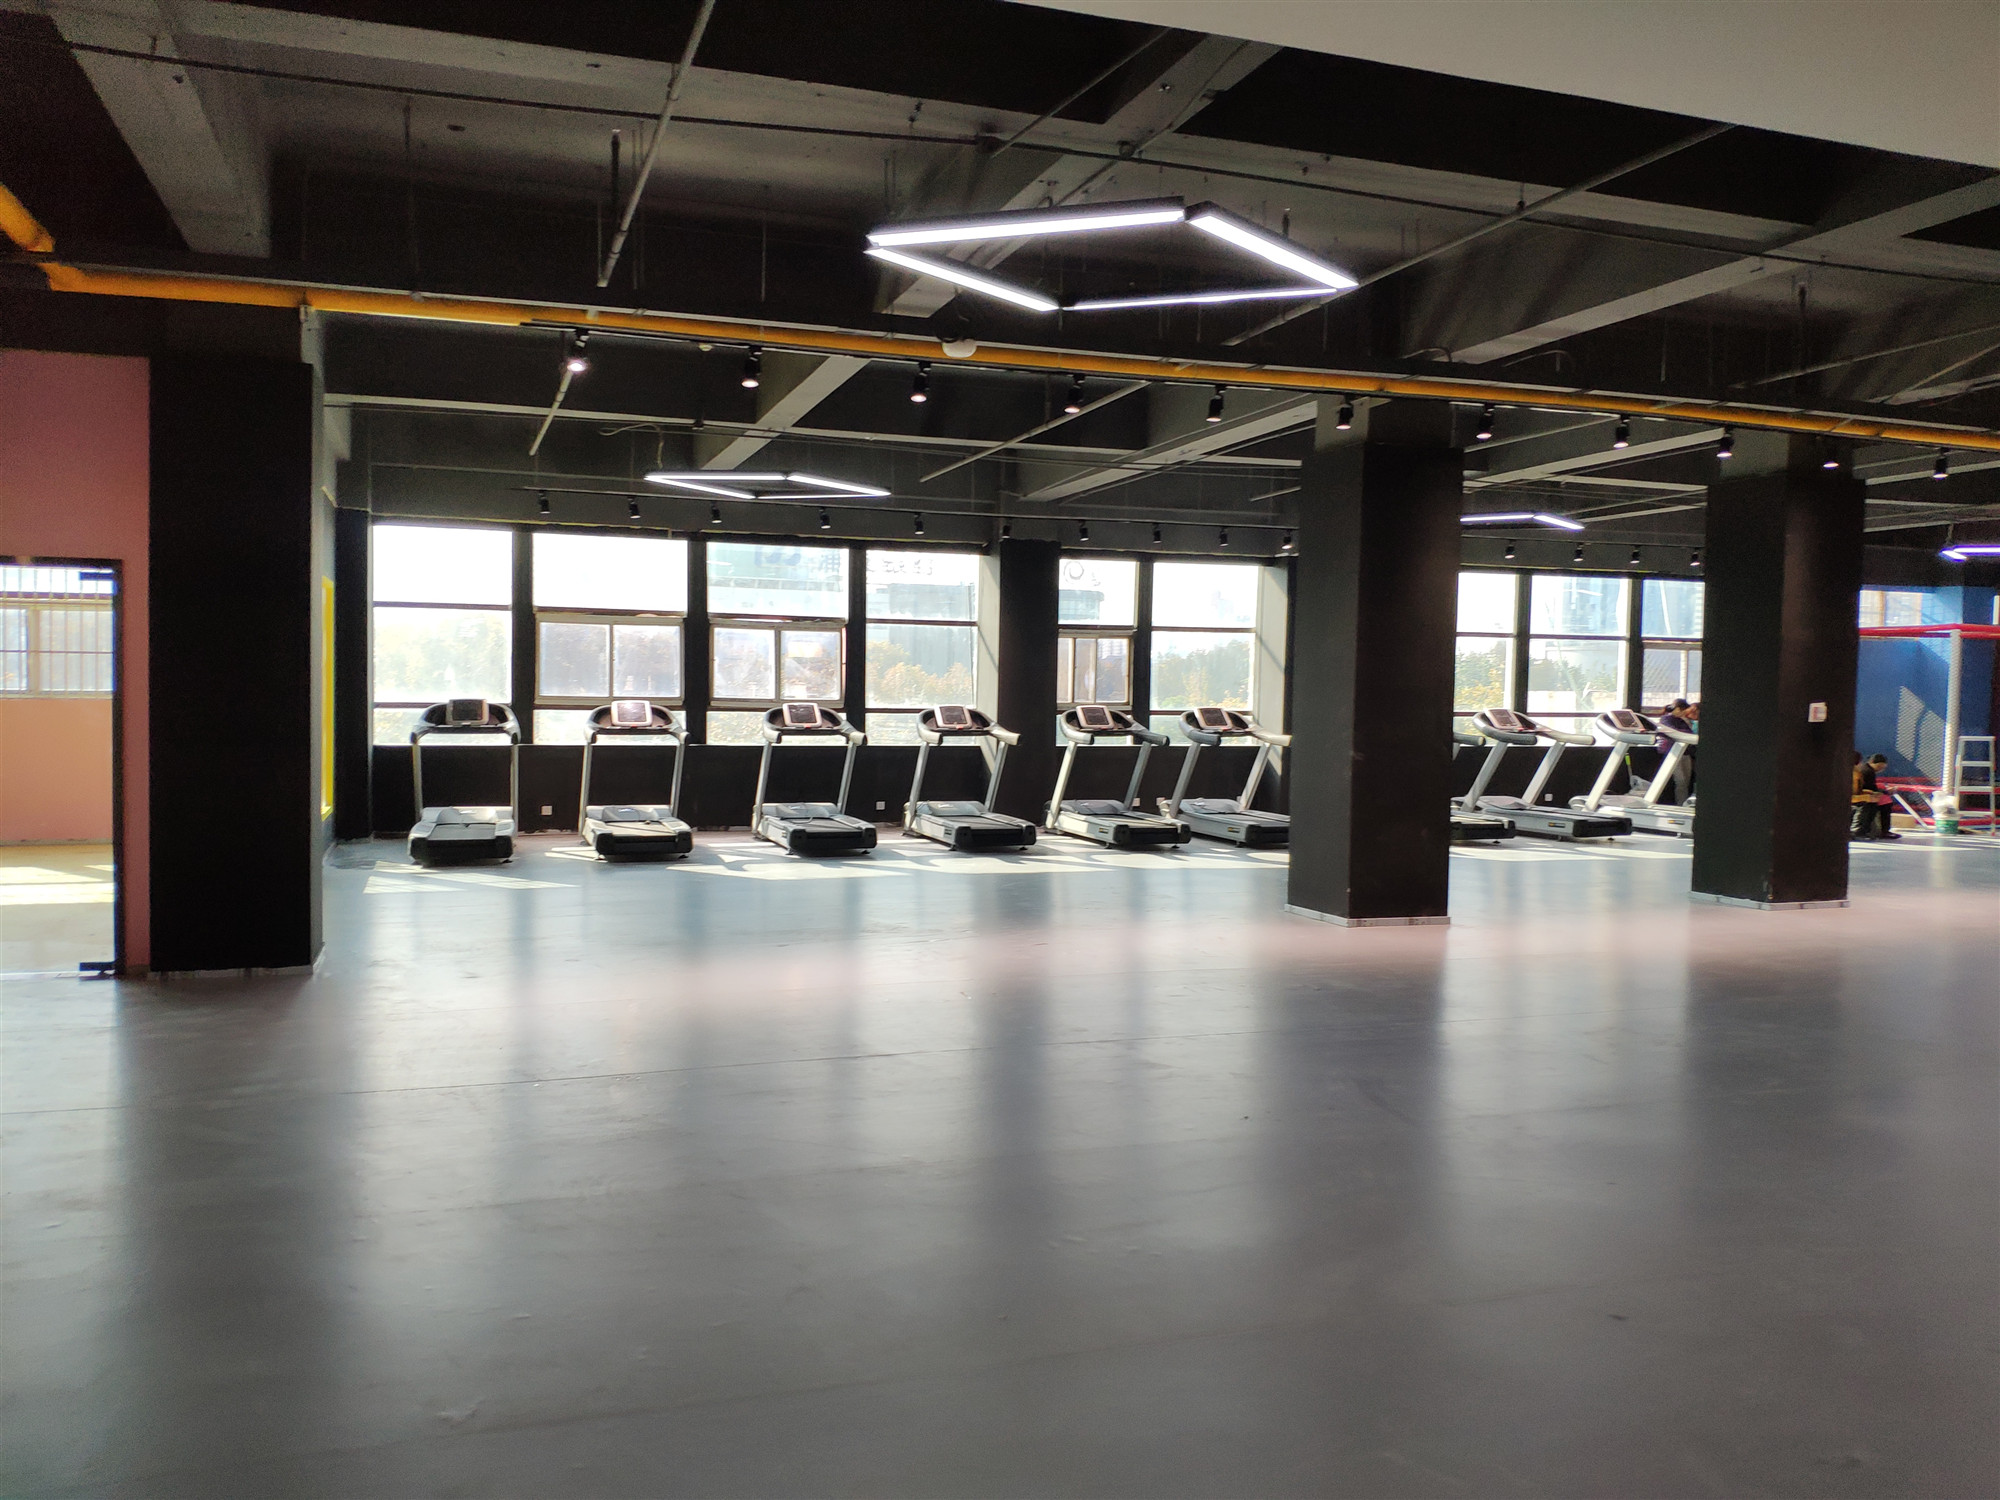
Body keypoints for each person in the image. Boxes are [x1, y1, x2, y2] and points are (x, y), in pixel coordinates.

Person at [1655, 699, 1695, 805]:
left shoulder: (1682, 721)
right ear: (1677, 709)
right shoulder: (1665, 719)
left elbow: (1690, 733)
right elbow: (1674, 732)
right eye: (1683, 711)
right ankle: (1680, 803)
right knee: (1680, 780)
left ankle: (1683, 802)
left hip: (1685, 752)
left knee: (1686, 781)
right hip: (1672, 751)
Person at [1851, 752, 1899, 840]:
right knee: (1884, 804)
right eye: (1879, 767)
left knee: (1879, 801)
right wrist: (1880, 793)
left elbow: (1865, 788)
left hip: (1860, 795)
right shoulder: (1867, 772)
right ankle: (1883, 830)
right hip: (1857, 797)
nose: (1881, 770)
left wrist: (1874, 793)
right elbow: (1867, 788)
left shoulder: (1863, 770)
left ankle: (1876, 830)